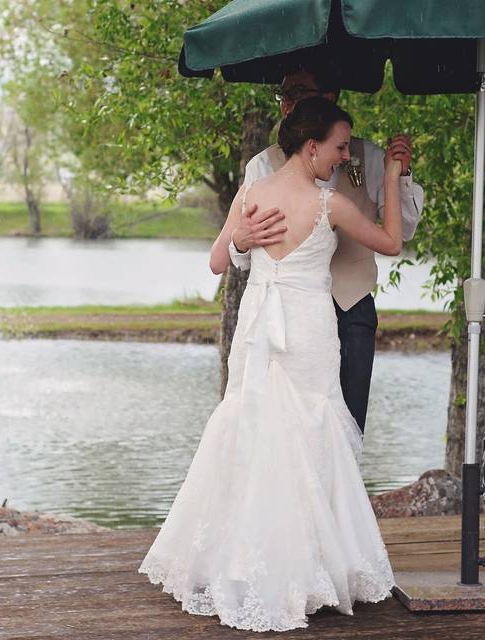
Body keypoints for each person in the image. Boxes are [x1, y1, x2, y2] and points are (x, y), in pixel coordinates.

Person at [140, 97, 397, 632]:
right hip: (301, 329)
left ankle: (249, 563)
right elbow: (391, 242)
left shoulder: (254, 193)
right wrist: (392, 175)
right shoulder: (329, 204)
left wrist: (238, 240)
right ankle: (306, 569)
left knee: (256, 428)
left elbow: (217, 261)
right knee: (307, 431)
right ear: (311, 147)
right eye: (340, 146)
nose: (344, 156)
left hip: (259, 328)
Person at [226, 67, 424, 433]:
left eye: (297, 91)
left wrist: (401, 177)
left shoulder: (368, 156)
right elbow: (234, 252)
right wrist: (241, 239)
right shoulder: (261, 167)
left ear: (329, 95)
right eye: (283, 94)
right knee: (276, 425)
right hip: (284, 315)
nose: (287, 102)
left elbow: (404, 231)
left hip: (351, 310)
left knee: (345, 424)